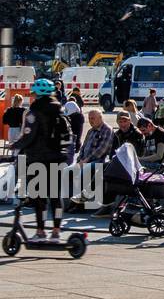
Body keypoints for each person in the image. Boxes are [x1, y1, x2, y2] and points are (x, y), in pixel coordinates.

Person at [14, 79, 72, 243]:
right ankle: (56, 231)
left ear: (37, 94)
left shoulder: (35, 110)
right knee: (56, 196)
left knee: (38, 196)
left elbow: (28, 135)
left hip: (38, 158)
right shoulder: (60, 109)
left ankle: (40, 231)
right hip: (58, 157)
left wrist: (15, 145)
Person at [71, 108, 115, 210]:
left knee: (84, 170)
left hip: (100, 161)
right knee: (67, 171)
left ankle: (79, 205)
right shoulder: (90, 131)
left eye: (93, 118)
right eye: (89, 118)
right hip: (85, 160)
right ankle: (69, 201)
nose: (91, 121)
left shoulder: (107, 130)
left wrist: (86, 161)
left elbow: (102, 150)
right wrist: (79, 160)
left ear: (100, 118)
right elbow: (83, 148)